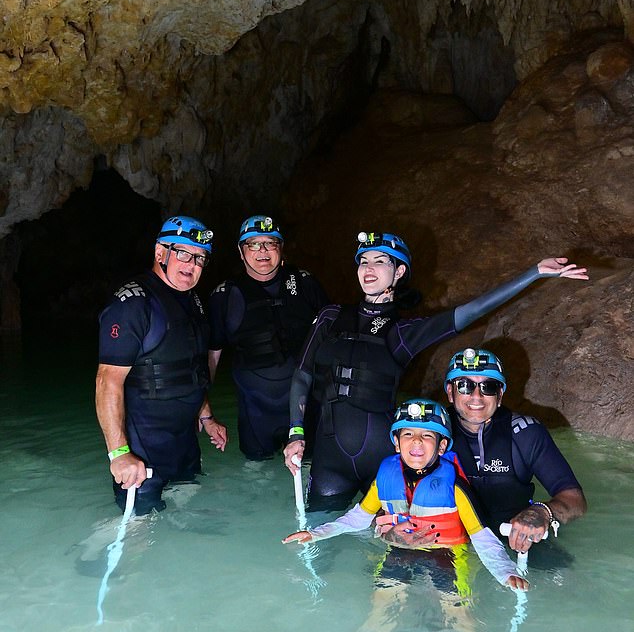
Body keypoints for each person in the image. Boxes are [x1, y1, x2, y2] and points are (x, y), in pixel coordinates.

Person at [284, 230, 588, 510]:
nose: (368, 269)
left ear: (399, 272)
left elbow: (472, 311)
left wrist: (533, 273)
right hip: (329, 455)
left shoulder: (404, 333)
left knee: (386, 545)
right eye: (363, 261)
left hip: (384, 460)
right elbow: (302, 375)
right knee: (316, 540)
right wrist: (296, 432)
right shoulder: (330, 317)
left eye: (380, 261)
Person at [283, 399, 527, 632]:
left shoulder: (455, 488)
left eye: (427, 435)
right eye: (408, 434)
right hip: (401, 550)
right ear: (396, 443)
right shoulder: (385, 477)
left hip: (448, 555)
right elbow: (357, 519)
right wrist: (316, 534)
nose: (416, 442)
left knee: (463, 621)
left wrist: (505, 572)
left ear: (441, 446)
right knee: (379, 611)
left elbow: (483, 537)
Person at [96, 215, 227, 515]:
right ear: (160, 253)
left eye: (199, 258)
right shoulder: (133, 303)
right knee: (139, 534)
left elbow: (192, 370)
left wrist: (206, 418)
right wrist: (119, 454)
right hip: (143, 455)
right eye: (182, 253)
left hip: (185, 445)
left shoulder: (193, 302)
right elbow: (107, 381)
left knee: (187, 524)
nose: (191, 264)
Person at [443, 347, 587, 553]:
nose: (476, 396)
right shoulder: (428, 433)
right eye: (464, 386)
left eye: (488, 387)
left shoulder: (526, 433)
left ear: (500, 395)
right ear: (450, 392)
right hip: (446, 542)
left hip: (516, 539)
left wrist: (542, 512)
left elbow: (576, 501)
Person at [207, 215, 328, 460]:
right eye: (252, 243)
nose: (262, 250)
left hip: (305, 407)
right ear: (241, 252)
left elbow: (332, 342)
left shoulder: (305, 283)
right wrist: (203, 412)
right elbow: (211, 357)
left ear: (280, 248)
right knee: (256, 473)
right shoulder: (225, 296)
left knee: (308, 469)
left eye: (270, 243)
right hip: (255, 411)